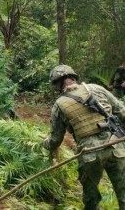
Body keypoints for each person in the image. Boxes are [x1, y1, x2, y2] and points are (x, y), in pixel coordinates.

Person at [43, 65, 125, 210]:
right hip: (116, 145)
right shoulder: (96, 88)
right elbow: (121, 112)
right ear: (74, 78)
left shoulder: (59, 104)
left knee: (91, 199)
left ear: (58, 84)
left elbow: (55, 139)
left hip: (90, 153)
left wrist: (44, 144)